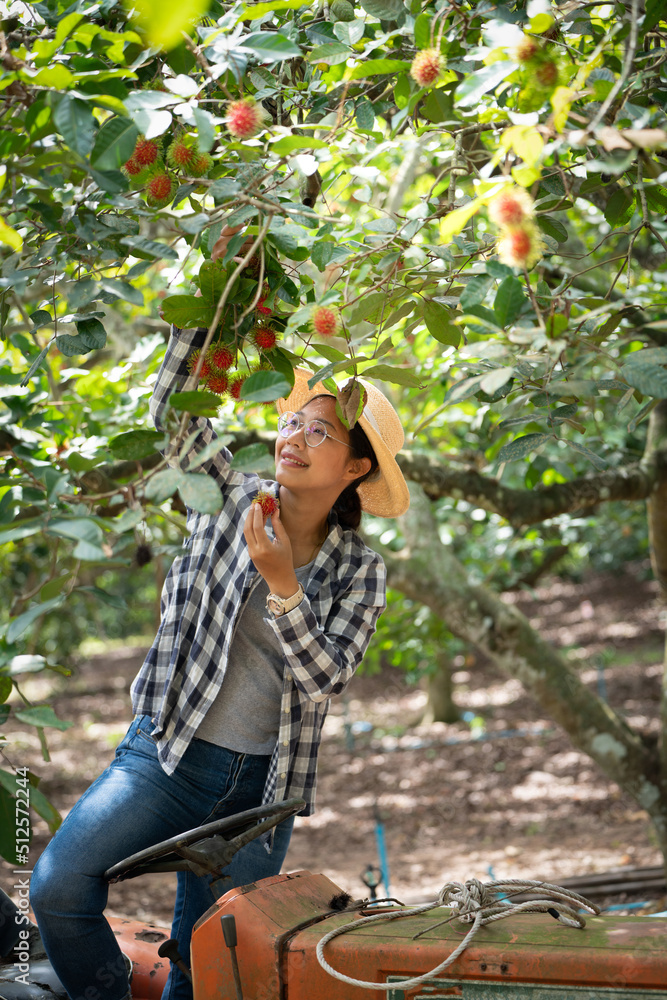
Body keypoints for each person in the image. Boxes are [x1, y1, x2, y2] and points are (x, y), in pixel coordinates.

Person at [30, 236, 410, 1000]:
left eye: (320, 432)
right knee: (57, 887)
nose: (293, 438)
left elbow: (325, 675)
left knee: (212, 963)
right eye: (293, 422)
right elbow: (172, 414)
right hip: (165, 758)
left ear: (356, 468)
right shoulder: (229, 497)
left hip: (262, 789)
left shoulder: (360, 571)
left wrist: (281, 585)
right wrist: (209, 303)